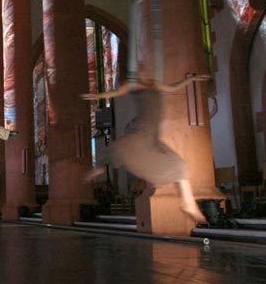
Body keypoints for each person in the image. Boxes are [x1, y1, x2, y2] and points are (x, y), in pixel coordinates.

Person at [81, 74, 210, 225]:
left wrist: (191, 79)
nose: (143, 70)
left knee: (180, 165)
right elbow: (115, 93)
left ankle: (189, 204)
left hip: (152, 137)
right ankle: (100, 166)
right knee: (124, 148)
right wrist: (97, 96)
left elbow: (173, 87)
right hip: (141, 130)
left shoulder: (154, 84)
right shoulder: (133, 84)